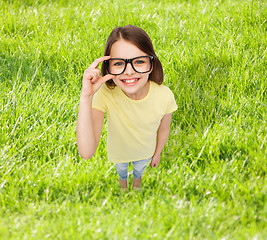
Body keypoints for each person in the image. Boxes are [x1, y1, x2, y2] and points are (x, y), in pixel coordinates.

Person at [76, 25, 177, 190]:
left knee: (138, 171)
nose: (129, 71)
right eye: (119, 63)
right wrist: (86, 97)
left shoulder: (164, 96)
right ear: (108, 67)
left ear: (151, 63)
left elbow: (164, 129)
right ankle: (123, 187)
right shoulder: (105, 95)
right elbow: (86, 152)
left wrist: (157, 153)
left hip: (145, 153)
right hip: (119, 155)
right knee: (122, 172)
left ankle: (137, 185)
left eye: (138, 62)